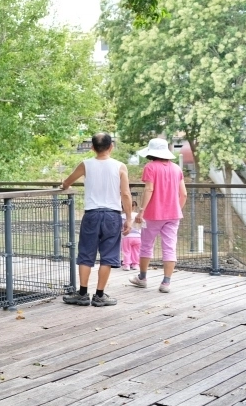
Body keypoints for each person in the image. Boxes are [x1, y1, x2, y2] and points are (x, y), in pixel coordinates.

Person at [60, 132, 132, 307]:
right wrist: (129, 218)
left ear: (92, 147)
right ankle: (99, 295)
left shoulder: (85, 164)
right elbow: (125, 194)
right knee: (108, 255)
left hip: (91, 214)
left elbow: (67, 182)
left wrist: (64, 185)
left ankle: (82, 293)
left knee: (86, 253)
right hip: (112, 215)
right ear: (111, 147)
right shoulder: (120, 166)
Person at [129, 138, 187, 293]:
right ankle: (166, 283)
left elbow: (149, 189)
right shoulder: (177, 169)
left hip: (153, 214)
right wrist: (176, 209)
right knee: (170, 247)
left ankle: (142, 278)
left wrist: (141, 210)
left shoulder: (150, 167)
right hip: (173, 215)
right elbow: (184, 194)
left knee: (147, 245)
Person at [121, 201, 142, 271]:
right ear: (134, 207)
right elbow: (143, 226)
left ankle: (127, 265)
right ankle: (135, 264)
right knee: (136, 251)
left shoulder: (122, 216)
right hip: (137, 236)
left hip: (126, 236)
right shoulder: (138, 215)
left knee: (126, 251)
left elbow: (120, 226)